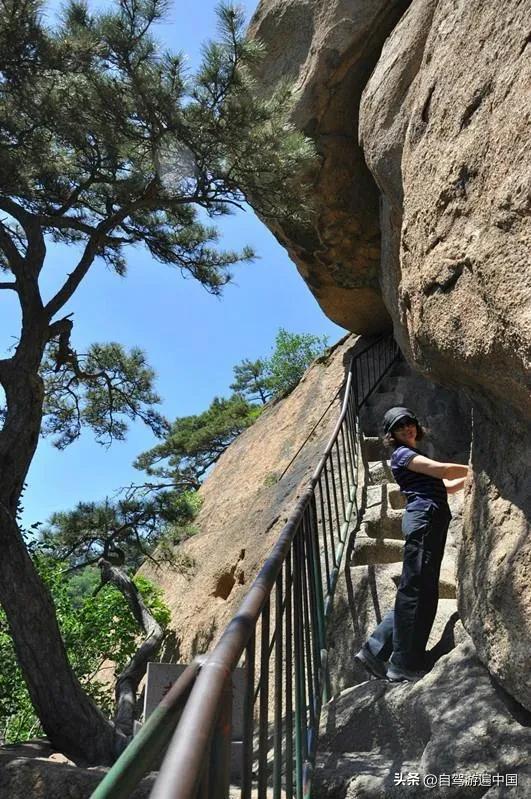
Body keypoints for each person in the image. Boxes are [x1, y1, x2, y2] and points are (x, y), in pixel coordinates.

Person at [355, 406, 469, 682]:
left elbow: (445, 486)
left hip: (427, 519)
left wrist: (469, 479)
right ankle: (403, 663)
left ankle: (374, 650)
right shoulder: (403, 454)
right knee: (418, 591)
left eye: (410, 423)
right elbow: (442, 470)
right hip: (425, 520)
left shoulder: (411, 456)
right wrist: (476, 467)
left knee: (414, 588)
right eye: (399, 426)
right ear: (391, 435)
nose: (407, 428)